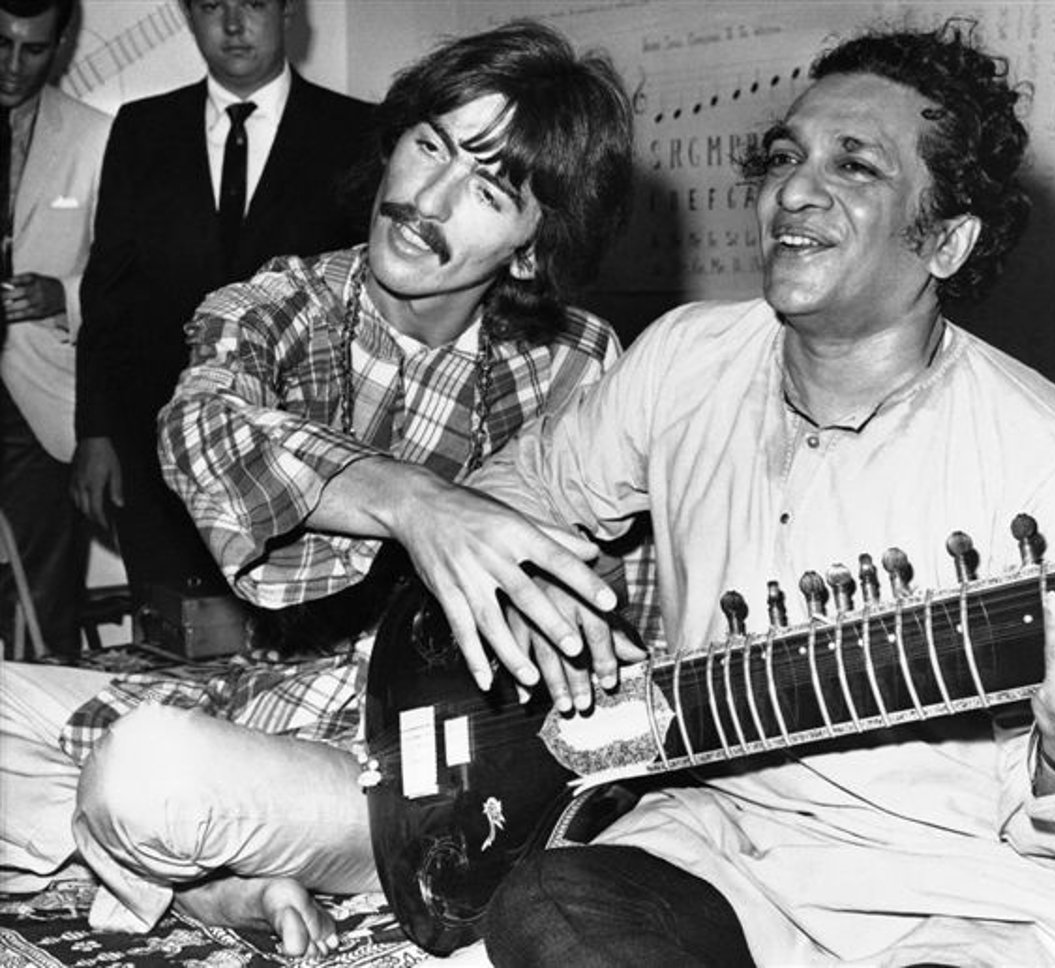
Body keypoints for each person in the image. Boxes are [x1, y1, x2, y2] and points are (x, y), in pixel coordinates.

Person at [376, 20, 1055, 967]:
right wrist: (468, 548)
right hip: (730, 842)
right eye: (783, 158)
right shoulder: (689, 358)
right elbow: (521, 493)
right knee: (549, 908)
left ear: (946, 241)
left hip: (960, 885)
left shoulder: (1046, 462)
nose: (794, 191)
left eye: (855, 166)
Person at [0, 19, 637, 961]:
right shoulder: (278, 303)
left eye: (488, 188)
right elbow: (203, 428)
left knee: (143, 772)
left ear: (533, 250)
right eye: (431, 146)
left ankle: (183, 862)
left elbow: (621, 621)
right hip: (261, 698)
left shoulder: (578, 366)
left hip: (418, 777)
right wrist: (414, 502)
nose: (426, 198)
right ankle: (209, 883)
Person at [69, 0, 373, 616]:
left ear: (288, 12)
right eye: (212, 5)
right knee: (173, 635)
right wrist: (95, 431)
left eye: (253, 3)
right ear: (188, 16)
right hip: (156, 447)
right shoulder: (142, 128)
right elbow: (107, 293)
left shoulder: (356, 131)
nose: (233, 24)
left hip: (302, 450)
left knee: (291, 639)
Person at [0, 0, 110, 660]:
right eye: (1, 44)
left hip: (39, 399)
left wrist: (60, 294)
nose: (13, 66)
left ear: (62, 44)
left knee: (41, 601)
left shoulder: (96, 137)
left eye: (33, 49)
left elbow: (125, 281)